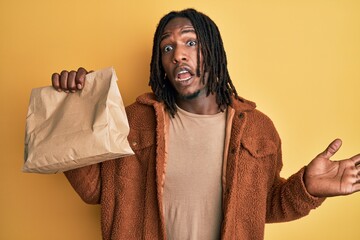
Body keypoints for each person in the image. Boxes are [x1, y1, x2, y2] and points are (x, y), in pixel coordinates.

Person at [51, 8, 360, 240]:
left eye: (191, 42)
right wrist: (74, 109)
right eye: (167, 48)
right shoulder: (133, 121)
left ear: (213, 52)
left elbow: (262, 206)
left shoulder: (257, 129)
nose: (178, 54)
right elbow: (95, 191)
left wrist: (307, 187)